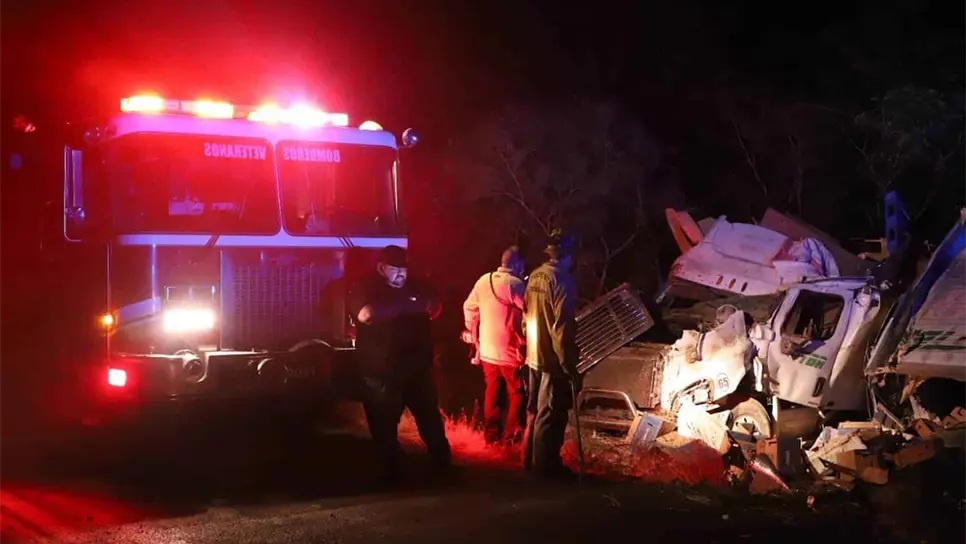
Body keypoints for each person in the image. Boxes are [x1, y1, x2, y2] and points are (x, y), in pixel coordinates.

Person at [346, 245, 452, 483]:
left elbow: (433, 307)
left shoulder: (415, 285)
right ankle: (391, 473)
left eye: (404, 268)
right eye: (396, 269)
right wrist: (408, 306)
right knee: (384, 424)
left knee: (429, 419)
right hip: (382, 371)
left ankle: (443, 466)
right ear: (382, 268)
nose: (402, 273)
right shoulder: (366, 287)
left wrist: (418, 303)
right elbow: (366, 314)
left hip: (416, 369)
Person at [521, 229, 581, 480]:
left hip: (532, 355)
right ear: (567, 255)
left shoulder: (535, 276)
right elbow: (562, 329)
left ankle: (531, 461)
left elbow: (525, 319)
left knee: (536, 411)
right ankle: (546, 469)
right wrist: (568, 366)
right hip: (550, 360)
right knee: (551, 414)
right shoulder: (563, 282)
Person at [462, 246, 527, 445]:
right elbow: (530, 310)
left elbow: (469, 306)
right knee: (517, 394)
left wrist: (474, 333)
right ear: (516, 265)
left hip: (487, 351)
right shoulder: (515, 284)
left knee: (492, 391)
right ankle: (511, 438)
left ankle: (491, 436)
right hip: (509, 352)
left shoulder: (484, 280)